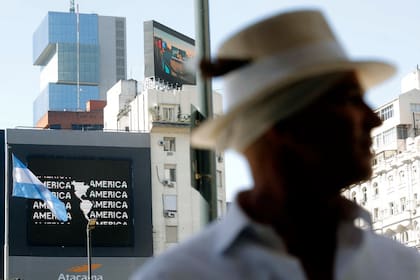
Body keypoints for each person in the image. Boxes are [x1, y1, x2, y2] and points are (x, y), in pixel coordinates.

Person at [130, 9, 420, 280]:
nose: (372, 119)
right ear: (281, 123)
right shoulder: (182, 274)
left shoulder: (403, 267)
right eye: (349, 99)